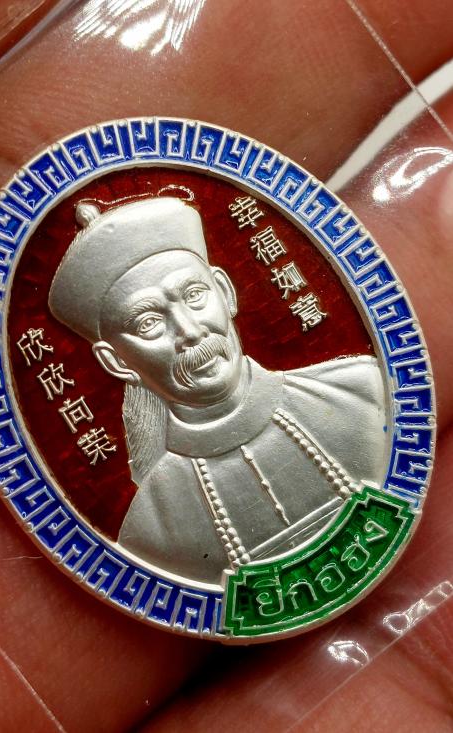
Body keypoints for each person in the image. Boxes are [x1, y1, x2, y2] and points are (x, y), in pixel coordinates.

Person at [49, 196, 387, 584]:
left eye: (194, 296)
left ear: (225, 293)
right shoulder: (152, 530)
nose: (191, 332)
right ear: (117, 363)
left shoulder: (364, 392)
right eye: (148, 324)